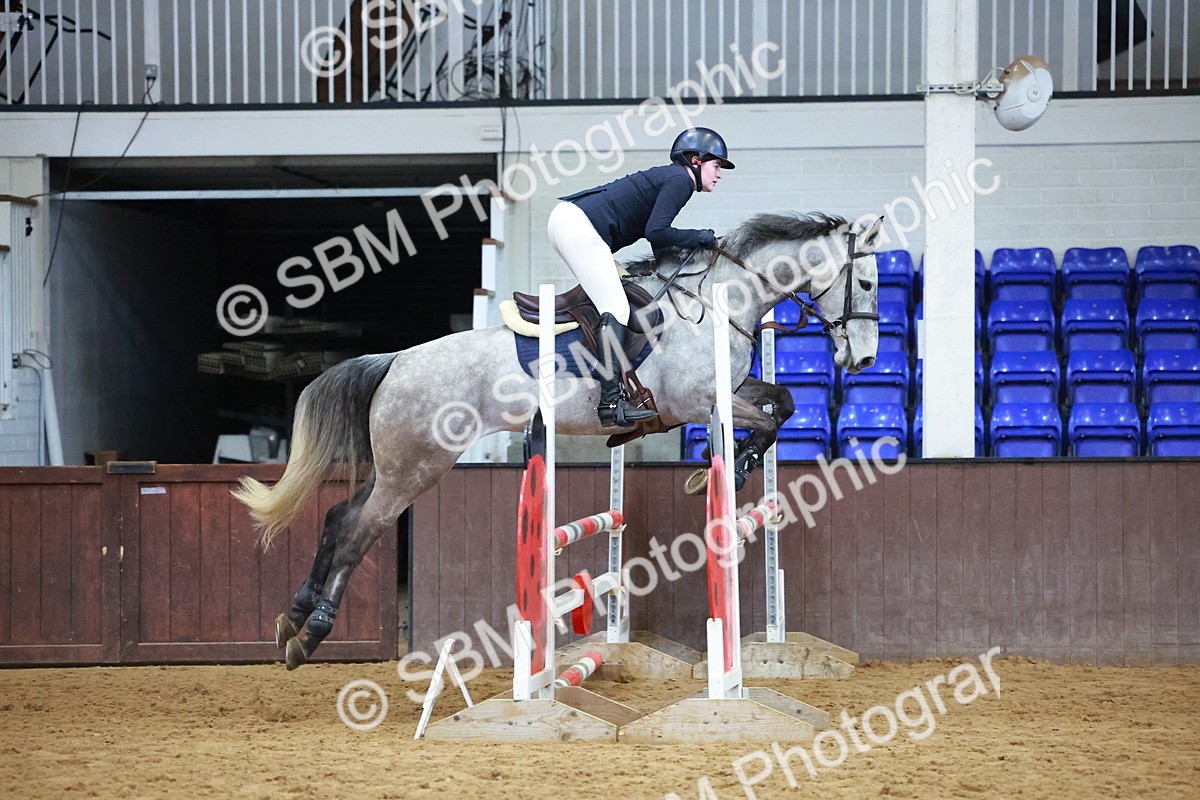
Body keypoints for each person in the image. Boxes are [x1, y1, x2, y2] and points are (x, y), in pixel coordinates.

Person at [547, 127, 734, 427]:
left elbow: (656, 238)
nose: (720, 174)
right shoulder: (680, 181)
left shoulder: (673, 178)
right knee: (617, 309)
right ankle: (609, 402)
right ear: (695, 161)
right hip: (577, 226)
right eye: (716, 165)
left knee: (614, 301)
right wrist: (699, 236)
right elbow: (657, 232)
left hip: (570, 222)